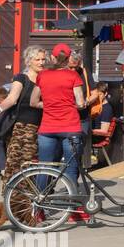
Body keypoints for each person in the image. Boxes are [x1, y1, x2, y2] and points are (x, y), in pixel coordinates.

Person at [36, 43, 86, 187]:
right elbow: (81, 103)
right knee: (71, 168)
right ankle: (71, 204)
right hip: (70, 127)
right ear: (69, 58)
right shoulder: (73, 75)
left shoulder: (42, 75)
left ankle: (40, 204)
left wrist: (50, 104)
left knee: (44, 167)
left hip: (47, 128)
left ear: (52, 57)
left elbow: (34, 101)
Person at [0, 46, 46, 190]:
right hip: (22, 127)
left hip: (40, 127)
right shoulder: (21, 78)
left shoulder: (45, 77)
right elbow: (12, 98)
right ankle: (12, 201)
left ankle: (25, 201)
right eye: (38, 59)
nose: (41, 62)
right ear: (29, 61)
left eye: (43, 59)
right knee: (16, 164)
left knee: (30, 165)